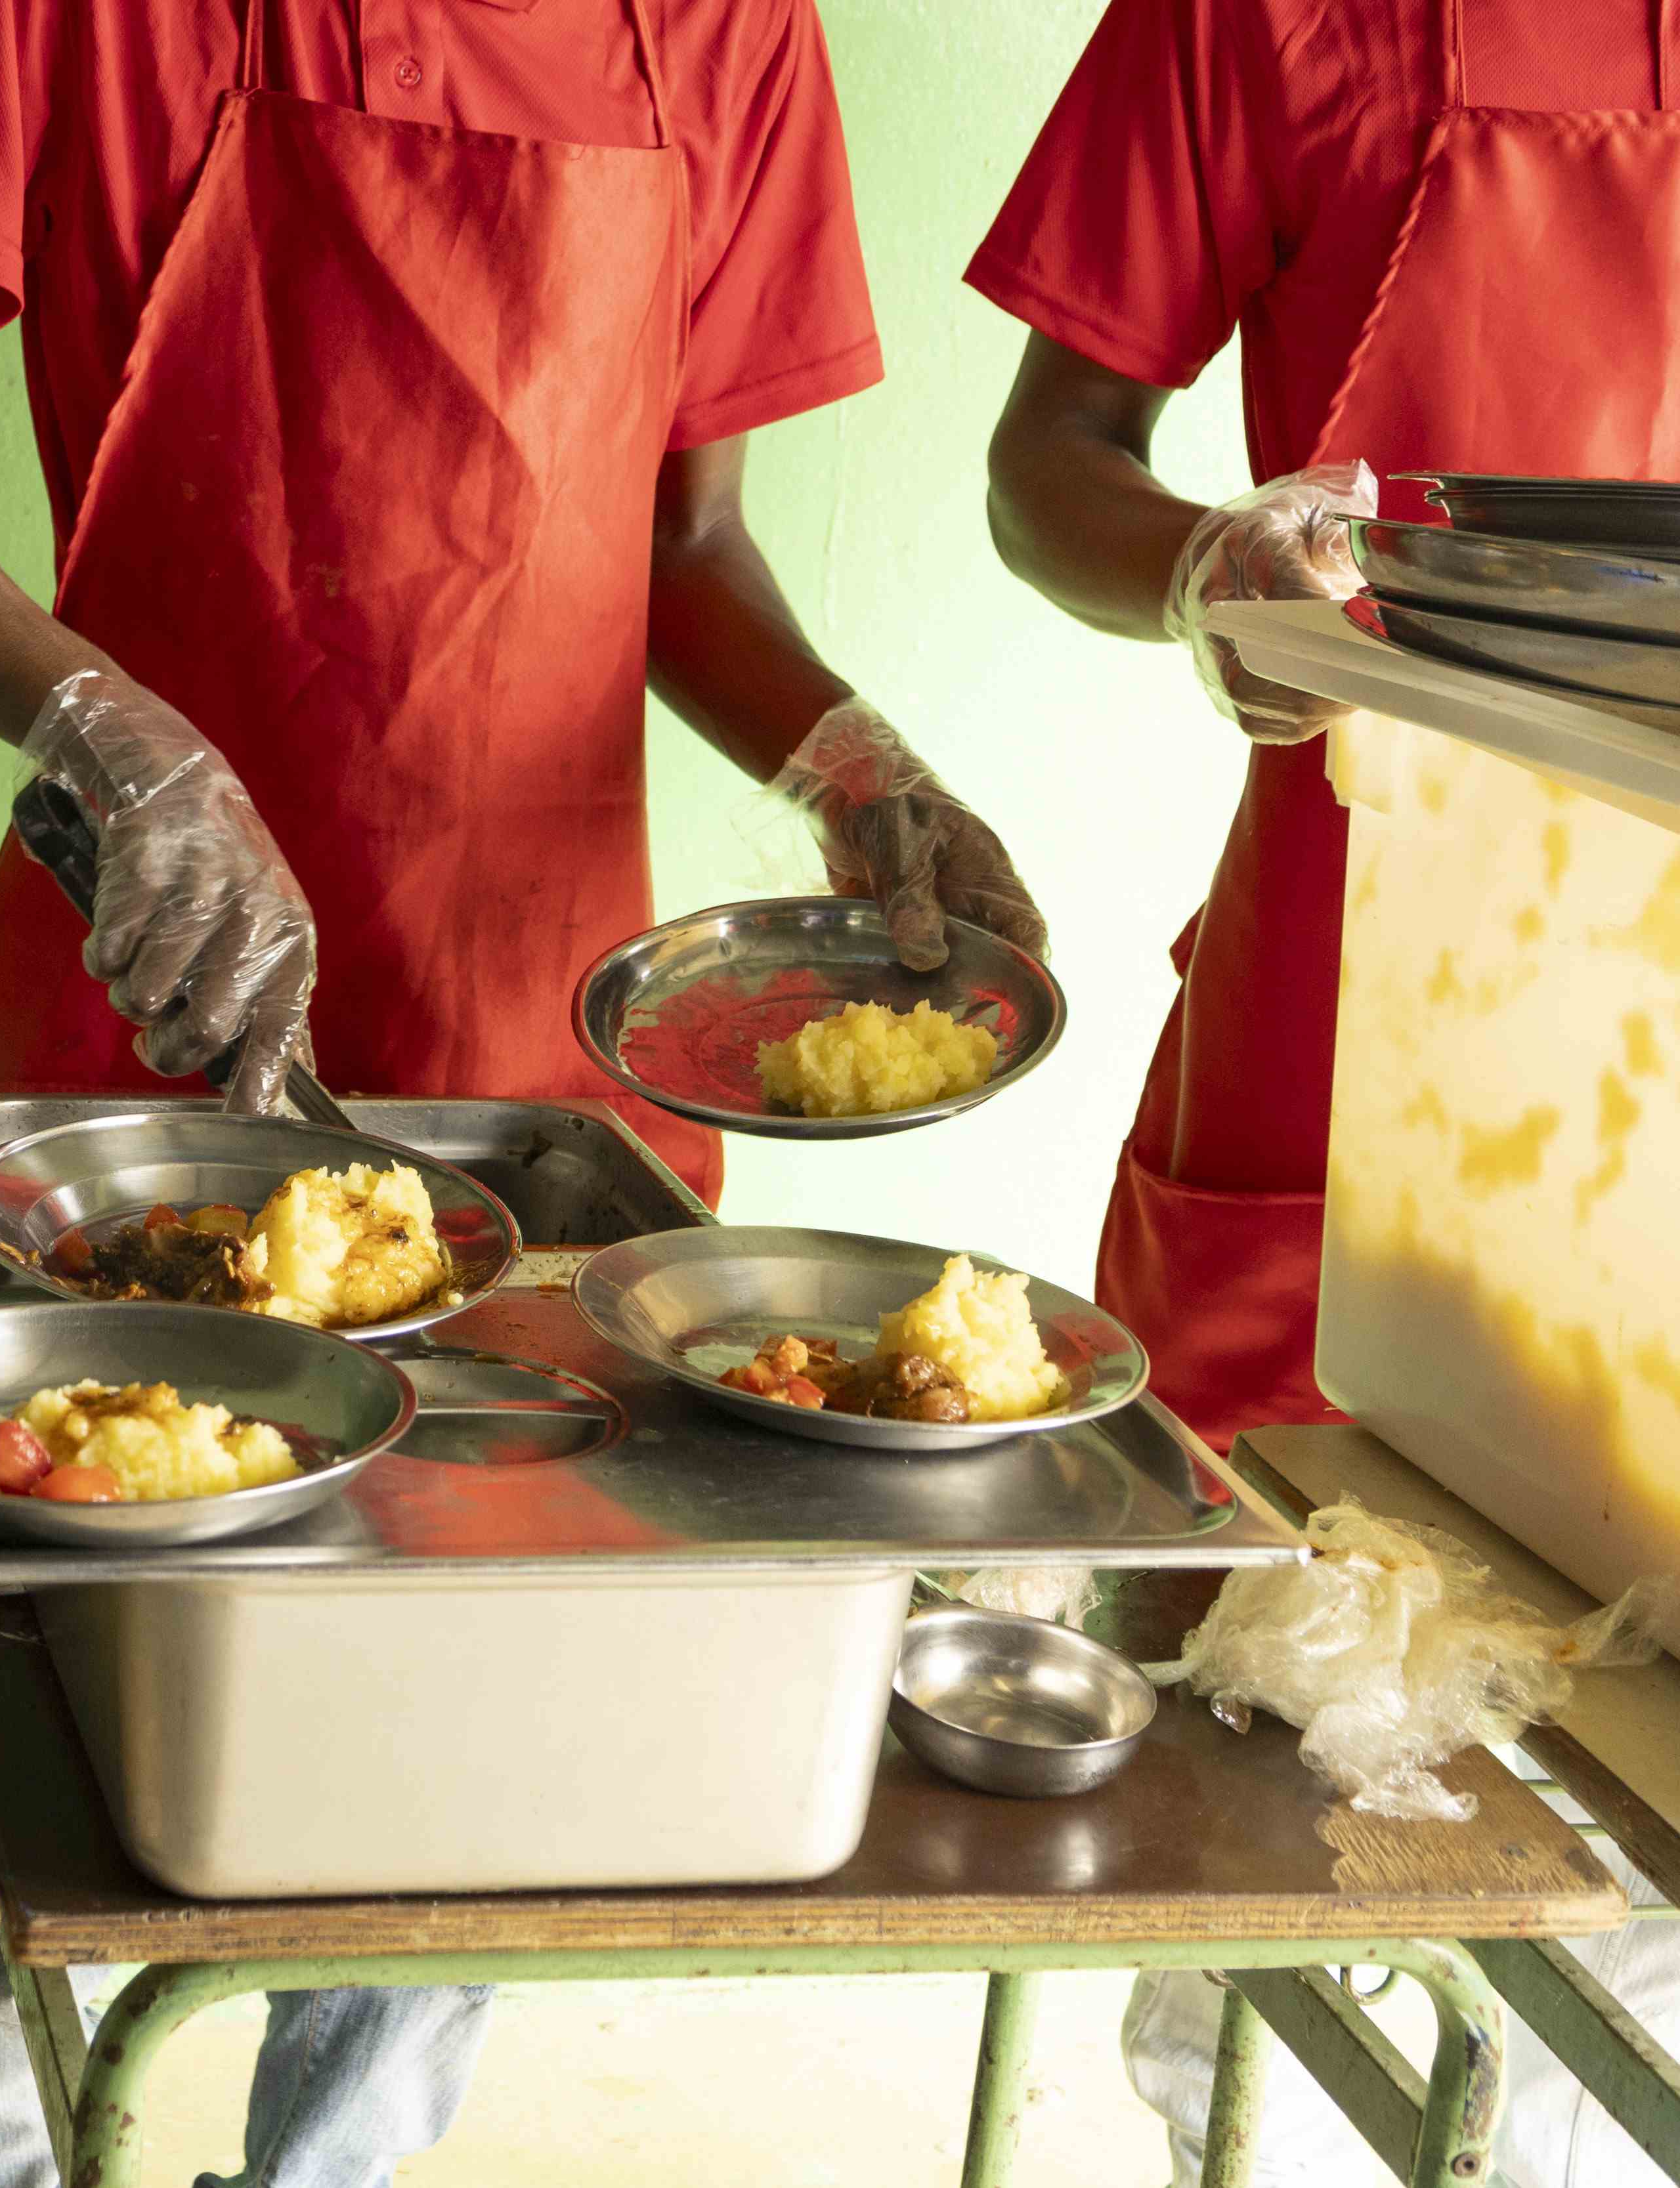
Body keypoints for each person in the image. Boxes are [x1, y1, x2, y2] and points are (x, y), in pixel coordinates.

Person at [0, 3, 1044, 2177]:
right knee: (18, 1793)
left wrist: (852, 765)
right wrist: (104, 735)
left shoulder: (719, 30)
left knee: (446, 1798)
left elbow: (682, 547)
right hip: (142, 1044)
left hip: (529, 1071)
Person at [972, 1, 1680, 2178]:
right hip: (1362, 1016)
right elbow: (1048, 462)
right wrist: (1201, 567)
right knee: (1280, 1816)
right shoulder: (1265, 18)